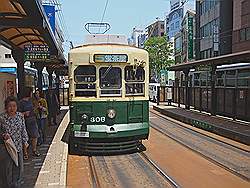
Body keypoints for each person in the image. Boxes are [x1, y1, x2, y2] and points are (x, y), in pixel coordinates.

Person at [0, 96, 29, 188]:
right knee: (7, 170)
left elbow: (23, 131)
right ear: (6, 107)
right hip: (6, 147)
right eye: (9, 106)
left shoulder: (20, 116)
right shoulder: (2, 117)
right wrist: (3, 135)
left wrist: (25, 147)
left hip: (18, 147)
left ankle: (16, 185)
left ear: (17, 107)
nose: (12, 108)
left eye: (14, 106)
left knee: (19, 169)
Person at [19, 87, 40, 158]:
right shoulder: (21, 102)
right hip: (25, 121)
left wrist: (35, 109)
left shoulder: (31, 100)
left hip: (33, 119)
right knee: (25, 137)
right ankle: (25, 153)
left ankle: (34, 150)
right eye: (31, 92)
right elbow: (18, 113)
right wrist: (24, 113)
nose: (32, 94)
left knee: (35, 135)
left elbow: (35, 107)